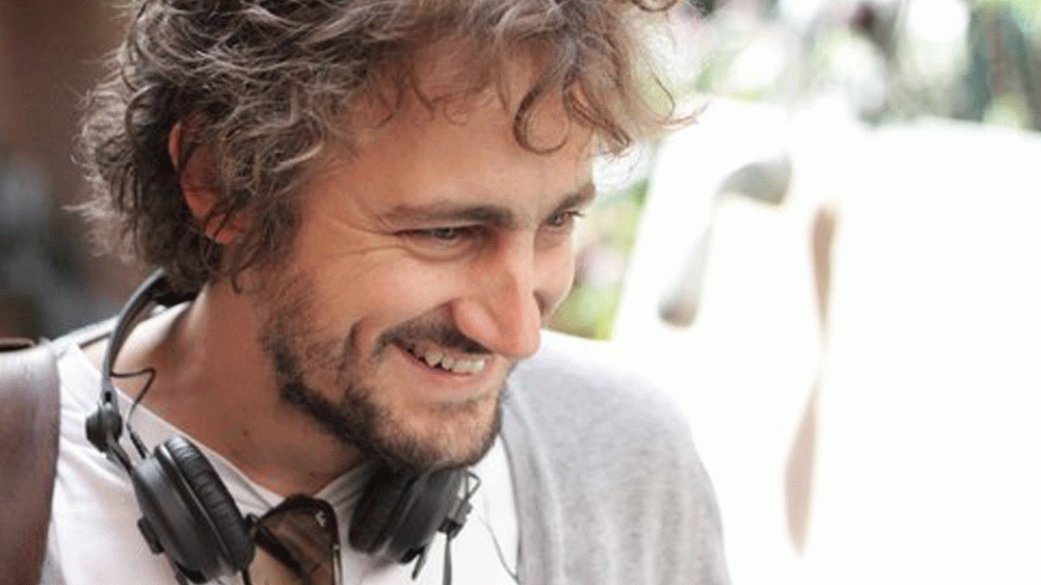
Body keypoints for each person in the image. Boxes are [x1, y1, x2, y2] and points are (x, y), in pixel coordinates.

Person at [21, 1, 730, 583]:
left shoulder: (625, 461)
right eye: (445, 233)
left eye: (558, 222)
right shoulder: (19, 483)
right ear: (222, 181)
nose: (518, 332)